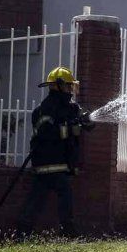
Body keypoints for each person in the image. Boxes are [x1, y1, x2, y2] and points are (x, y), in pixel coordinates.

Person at [17, 66, 94, 236]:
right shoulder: (44, 109)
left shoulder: (71, 107)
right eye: (68, 86)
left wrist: (87, 120)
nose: (70, 90)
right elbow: (46, 133)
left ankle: (23, 231)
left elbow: (88, 124)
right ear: (58, 86)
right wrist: (70, 127)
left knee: (37, 199)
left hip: (60, 164)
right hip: (48, 162)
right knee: (61, 194)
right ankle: (68, 231)